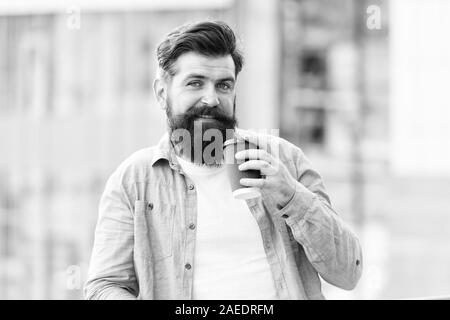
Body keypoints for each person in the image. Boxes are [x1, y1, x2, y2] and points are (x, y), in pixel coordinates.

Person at [84, 20, 363, 300]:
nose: (211, 98)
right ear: (161, 92)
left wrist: (291, 196)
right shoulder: (134, 180)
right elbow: (104, 286)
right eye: (195, 83)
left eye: (224, 85)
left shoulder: (285, 160)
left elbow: (348, 272)